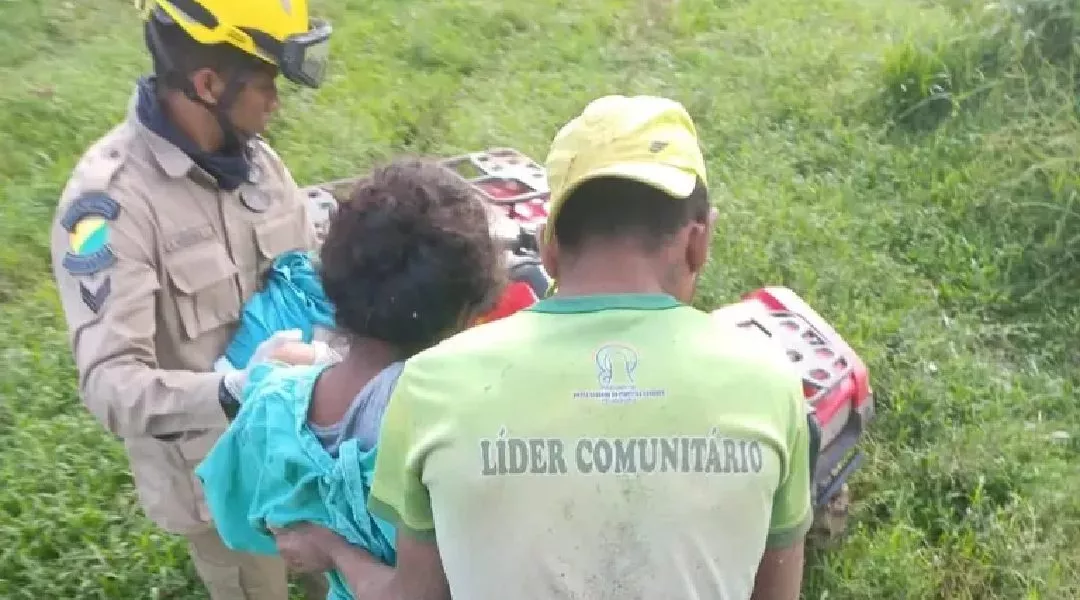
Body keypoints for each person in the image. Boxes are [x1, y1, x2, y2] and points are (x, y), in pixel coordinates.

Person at [273, 94, 813, 599]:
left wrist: (333, 549)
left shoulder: (433, 384)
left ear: (550, 251)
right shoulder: (770, 383)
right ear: (699, 240)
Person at [48, 1, 334, 598]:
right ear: (208, 84)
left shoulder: (254, 160)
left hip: (300, 450)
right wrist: (235, 390)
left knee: (337, 577)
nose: (276, 103)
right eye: (264, 85)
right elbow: (110, 385)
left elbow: (299, 269)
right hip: (219, 487)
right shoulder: (107, 209)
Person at [194, 157, 505, 600]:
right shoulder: (453, 426)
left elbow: (241, 519)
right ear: (464, 312)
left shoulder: (273, 403)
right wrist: (334, 549)